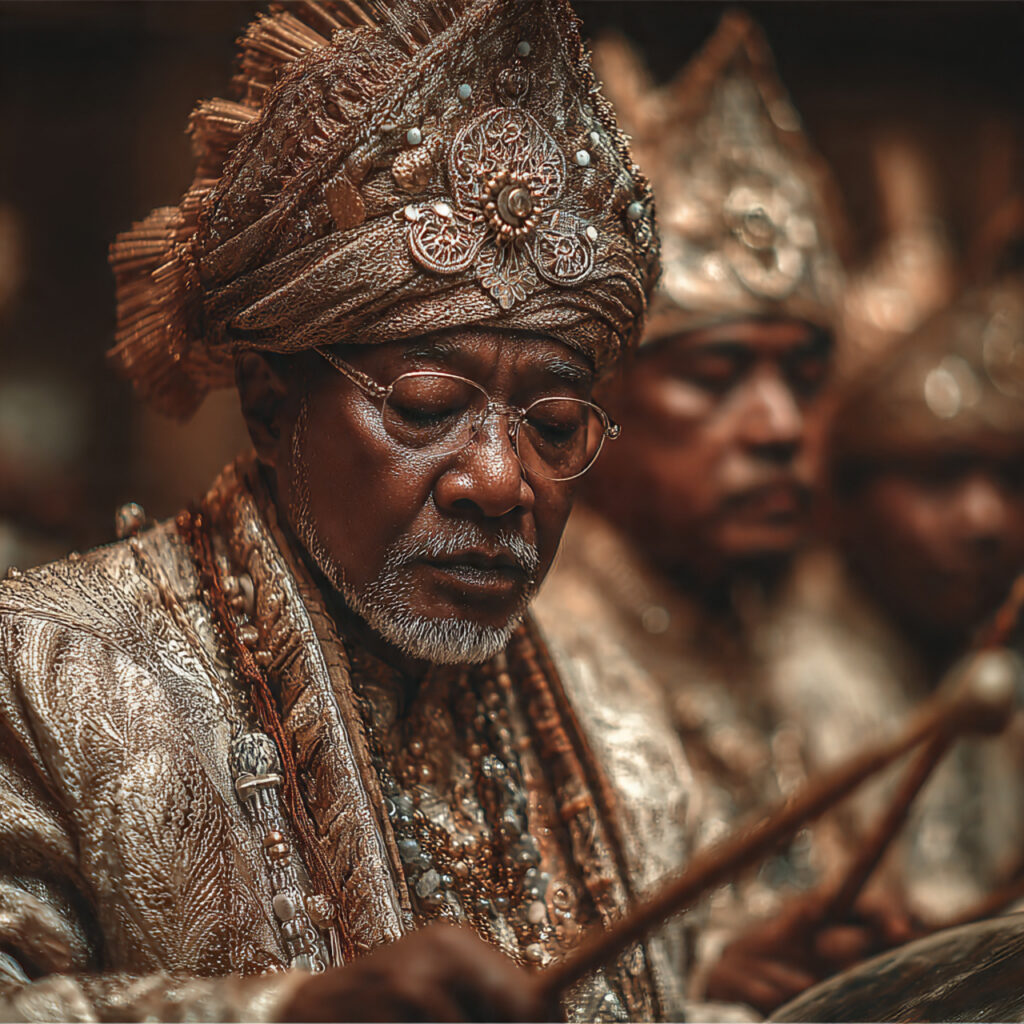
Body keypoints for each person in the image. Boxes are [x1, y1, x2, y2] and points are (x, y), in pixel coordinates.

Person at [0, 2, 695, 1020]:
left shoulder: (613, 708)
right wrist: (279, 1013)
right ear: (272, 399)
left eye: (551, 425)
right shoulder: (54, 672)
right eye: (424, 408)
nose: (499, 482)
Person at [535, 13, 912, 1017]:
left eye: (805, 375)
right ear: (590, 403)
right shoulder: (522, 661)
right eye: (715, 374)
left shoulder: (833, 657)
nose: (780, 425)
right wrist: (694, 984)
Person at [771, 274, 1024, 934]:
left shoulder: (981, 666)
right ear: (844, 495)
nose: (986, 519)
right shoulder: (778, 681)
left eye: (1012, 478)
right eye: (940, 474)